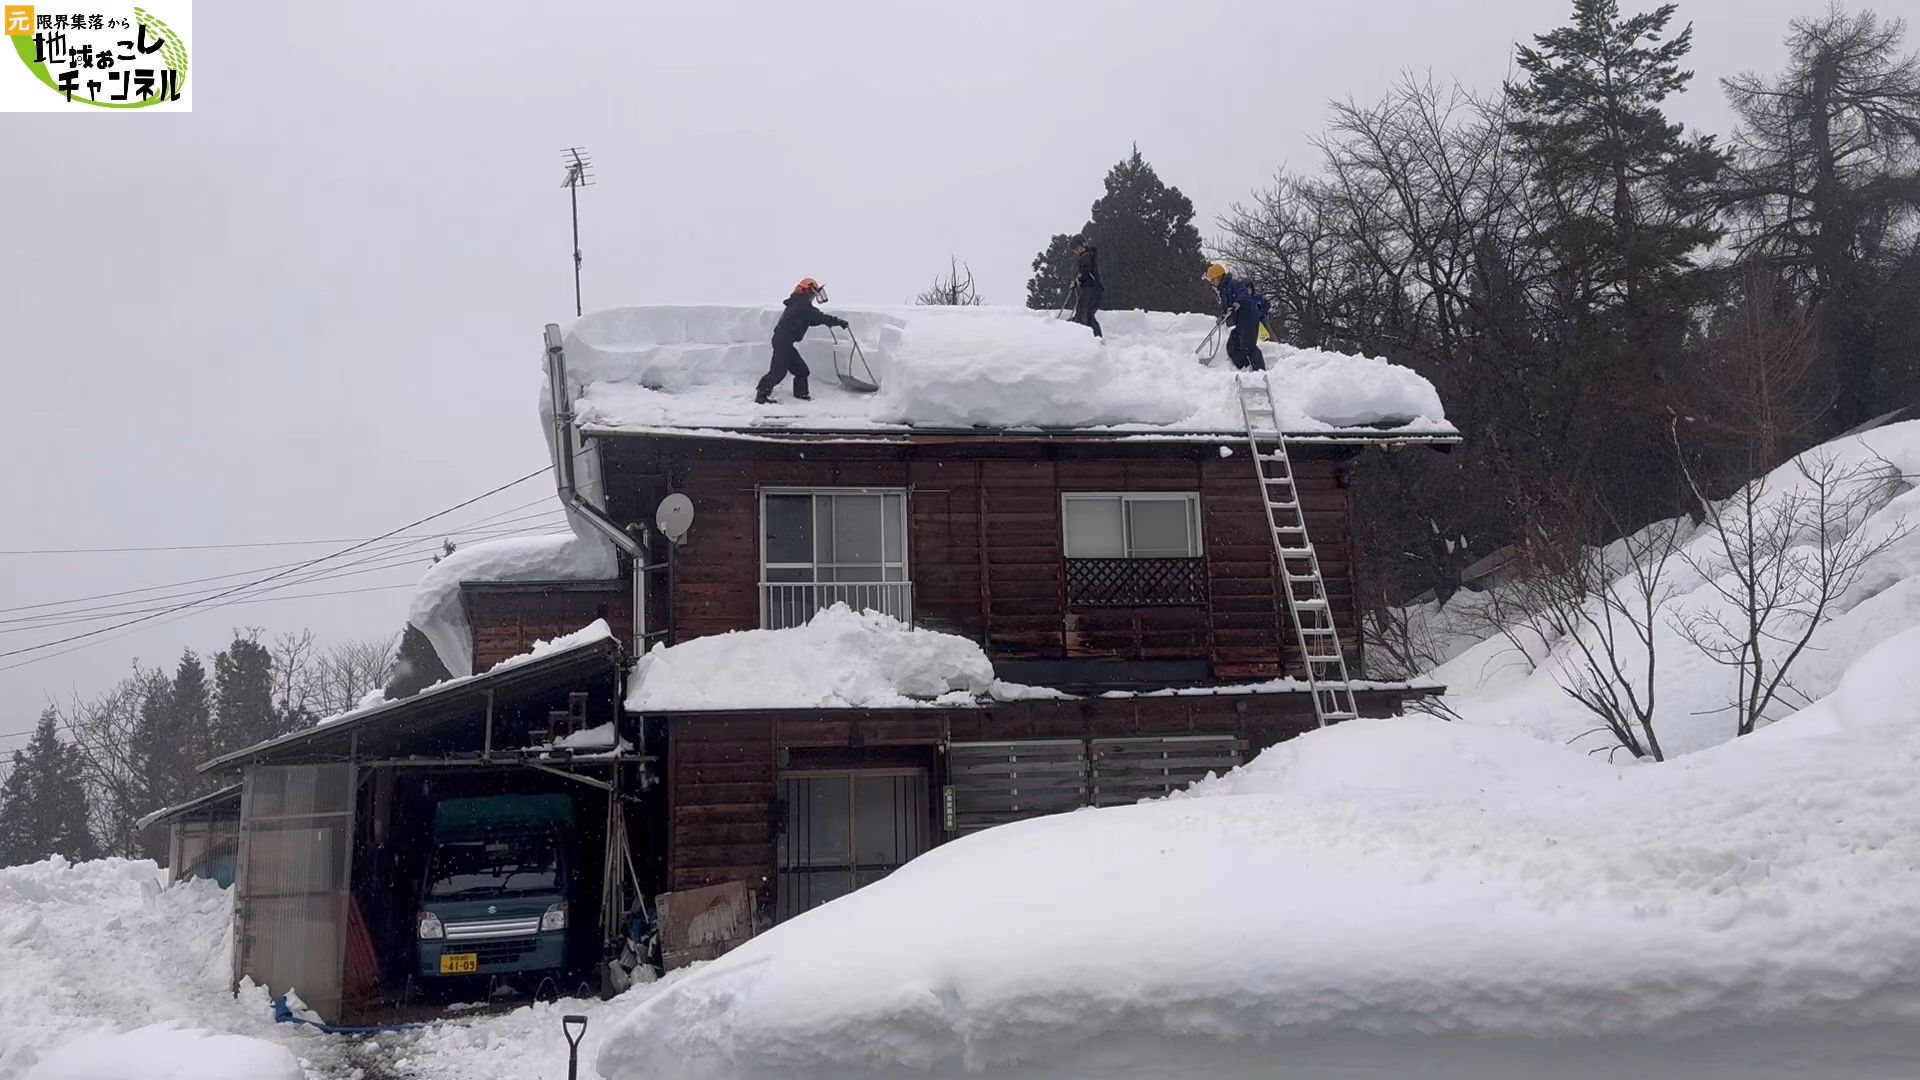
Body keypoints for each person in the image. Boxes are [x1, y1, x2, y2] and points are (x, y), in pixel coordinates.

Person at [755, 278, 848, 404]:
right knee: (778, 371)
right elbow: (818, 316)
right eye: (813, 294)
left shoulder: (798, 304)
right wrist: (837, 321)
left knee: (801, 371)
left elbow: (810, 319)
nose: (813, 297)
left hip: (784, 341)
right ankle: (761, 394)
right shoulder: (802, 304)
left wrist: (828, 323)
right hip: (783, 341)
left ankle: (801, 394)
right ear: (807, 291)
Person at [1205, 262, 1269, 371]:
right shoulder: (1223, 291)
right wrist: (1223, 316)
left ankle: (1260, 372)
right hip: (1240, 321)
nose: (1213, 283)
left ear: (1220, 277)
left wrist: (1237, 303)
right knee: (1232, 347)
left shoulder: (1233, 284)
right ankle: (1245, 368)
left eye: (1213, 280)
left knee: (1248, 346)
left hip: (1249, 318)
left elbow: (1242, 294)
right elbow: (1228, 308)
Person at [1070, 236, 1103, 338]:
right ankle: (1094, 337)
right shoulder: (1089, 255)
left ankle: (1090, 337)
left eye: (1077, 248)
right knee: (1086, 313)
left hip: (1091, 288)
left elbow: (1085, 271)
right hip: (1094, 288)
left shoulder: (1086, 256)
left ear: (1083, 245)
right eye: (1074, 250)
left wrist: (1078, 280)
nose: (1076, 251)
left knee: (1085, 312)